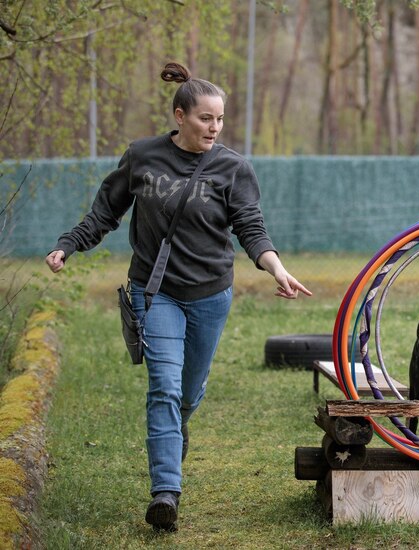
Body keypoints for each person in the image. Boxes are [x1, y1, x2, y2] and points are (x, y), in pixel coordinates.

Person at [45, 61, 311, 531]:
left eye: (221, 119)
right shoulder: (143, 156)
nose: (215, 127)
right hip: (156, 290)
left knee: (187, 391)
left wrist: (277, 268)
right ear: (180, 115)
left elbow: (251, 228)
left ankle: (177, 427)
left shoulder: (233, 169)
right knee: (163, 388)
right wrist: (68, 244)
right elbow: (105, 211)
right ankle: (165, 492)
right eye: (206, 118)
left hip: (211, 294)